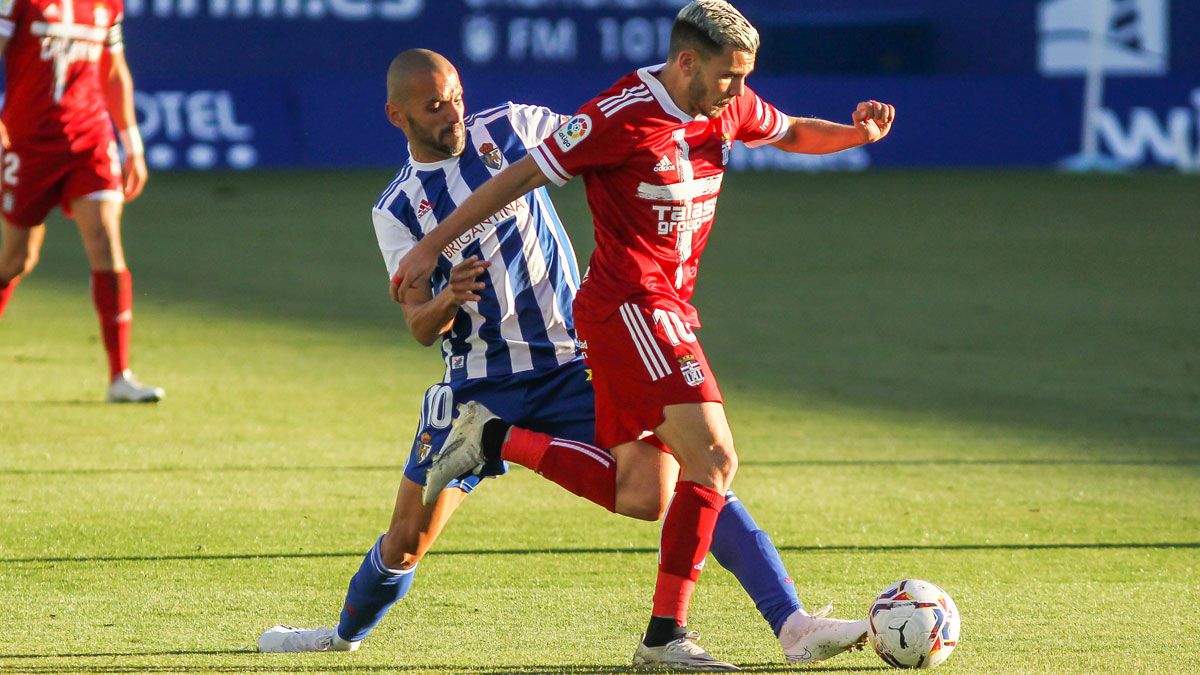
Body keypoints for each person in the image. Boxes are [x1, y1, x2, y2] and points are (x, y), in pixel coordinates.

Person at [258, 48, 868, 669]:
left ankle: (790, 619)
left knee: (685, 475)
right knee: (406, 542)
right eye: (434, 107)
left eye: (456, 97)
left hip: (573, 364)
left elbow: (596, 139)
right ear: (397, 115)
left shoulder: (512, 128)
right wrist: (449, 295)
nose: (453, 114)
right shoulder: (396, 209)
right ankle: (343, 635)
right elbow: (418, 326)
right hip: (477, 387)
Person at [0, 0, 162, 402]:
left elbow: (114, 71)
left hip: (90, 139)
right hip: (28, 141)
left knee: (105, 240)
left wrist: (133, 145)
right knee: (16, 259)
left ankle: (119, 375)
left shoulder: (107, 4)